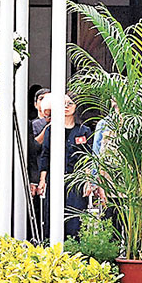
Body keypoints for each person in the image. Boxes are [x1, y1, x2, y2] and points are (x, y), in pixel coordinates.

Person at [39, 92, 93, 237]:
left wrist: (88, 181)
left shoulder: (84, 131)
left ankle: (73, 247)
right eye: (63, 104)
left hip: (76, 181)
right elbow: (45, 155)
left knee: (75, 219)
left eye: (70, 103)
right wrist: (42, 180)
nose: (66, 107)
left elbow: (87, 158)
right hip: (55, 179)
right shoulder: (52, 129)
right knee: (53, 216)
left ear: (76, 106)